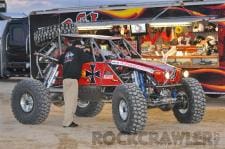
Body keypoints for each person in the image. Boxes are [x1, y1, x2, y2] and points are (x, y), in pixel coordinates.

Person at [58, 40, 90, 128]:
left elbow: (59, 60)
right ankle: (67, 122)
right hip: (73, 80)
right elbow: (88, 59)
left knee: (69, 101)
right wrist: (86, 51)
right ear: (78, 46)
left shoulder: (67, 53)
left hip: (65, 80)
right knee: (71, 103)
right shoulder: (79, 51)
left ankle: (69, 121)